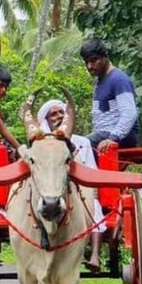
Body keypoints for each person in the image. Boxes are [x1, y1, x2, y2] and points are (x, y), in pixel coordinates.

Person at [37, 99, 105, 271]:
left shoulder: (83, 142)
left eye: (61, 112)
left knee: (94, 210)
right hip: (50, 190)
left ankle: (95, 255)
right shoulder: (40, 143)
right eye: (53, 114)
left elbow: (91, 171)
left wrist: (91, 193)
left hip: (79, 189)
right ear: (46, 120)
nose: (58, 116)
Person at [80, 38, 140, 154]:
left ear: (105, 57)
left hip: (122, 135)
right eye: (86, 62)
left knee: (81, 145)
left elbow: (130, 113)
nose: (89, 66)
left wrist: (112, 138)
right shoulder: (99, 82)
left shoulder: (118, 79)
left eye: (93, 60)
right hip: (105, 133)